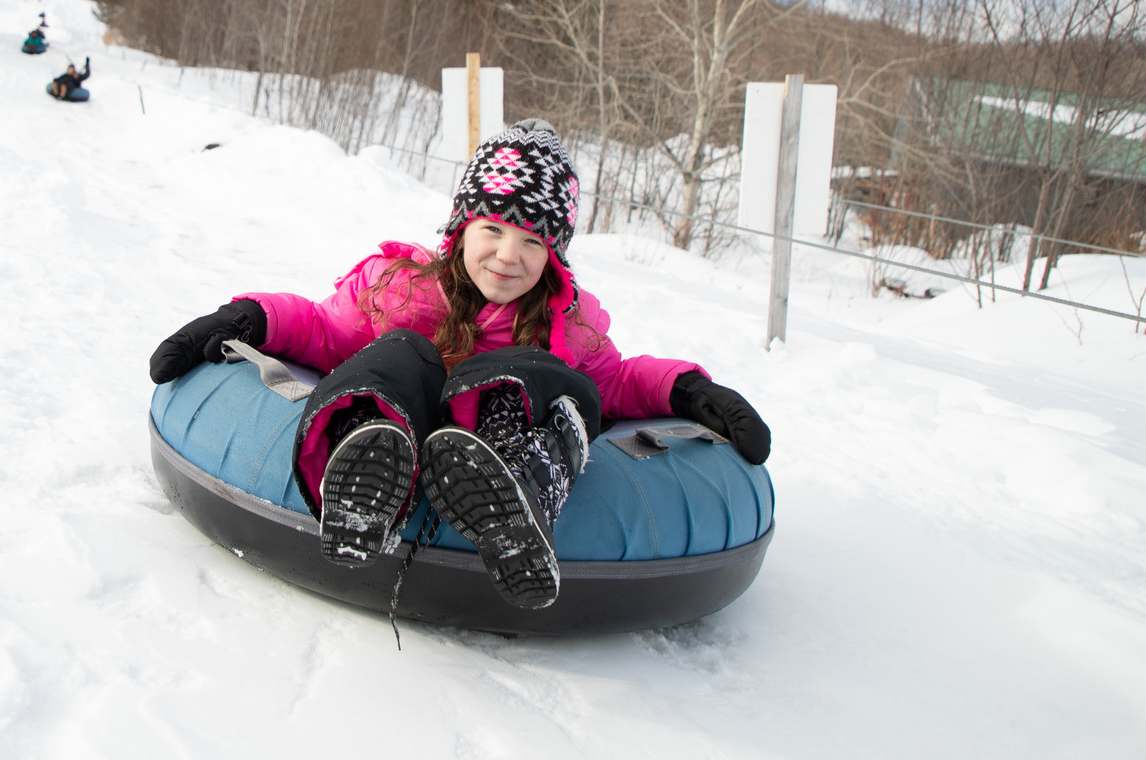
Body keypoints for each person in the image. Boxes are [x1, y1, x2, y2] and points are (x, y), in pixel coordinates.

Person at [148, 119, 770, 610]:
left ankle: (514, 491)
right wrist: (252, 319)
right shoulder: (401, 288)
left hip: (498, 437)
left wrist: (688, 390)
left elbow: (620, 382)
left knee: (552, 378)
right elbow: (319, 327)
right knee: (398, 354)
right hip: (403, 416)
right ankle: (363, 464)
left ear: (554, 256)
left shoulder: (567, 326)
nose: (508, 256)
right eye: (495, 230)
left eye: (533, 241)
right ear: (462, 226)